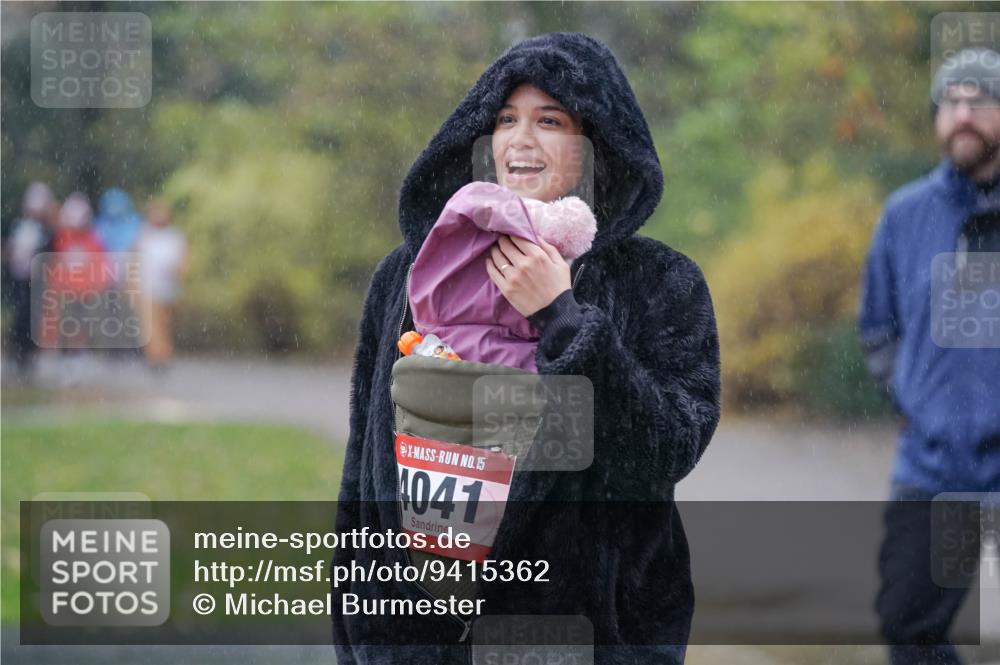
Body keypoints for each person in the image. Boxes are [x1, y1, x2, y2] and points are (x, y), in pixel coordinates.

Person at [332, 33, 721, 665]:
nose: (521, 139)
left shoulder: (659, 283)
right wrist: (365, 637)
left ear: (600, 147)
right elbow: (365, 477)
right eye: (506, 119)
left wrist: (564, 317)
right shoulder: (407, 274)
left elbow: (665, 451)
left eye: (550, 120)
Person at [859, 48, 1000, 665]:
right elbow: (877, 328)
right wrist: (914, 397)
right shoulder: (905, 214)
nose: (963, 114)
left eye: (980, 100)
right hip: (932, 467)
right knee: (908, 626)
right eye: (951, 102)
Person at [3, 182, 56, 377]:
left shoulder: (47, 230)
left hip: (34, 281)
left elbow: (47, 254)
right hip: (17, 279)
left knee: (30, 318)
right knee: (19, 317)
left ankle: (27, 357)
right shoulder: (16, 225)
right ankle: (16, 355)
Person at [135, 199, 186, 370]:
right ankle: (154, 357)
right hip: (148, 287)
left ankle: (163, 355)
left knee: (164, 324)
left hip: (168, 288)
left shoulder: (175, 237)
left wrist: (176, 270)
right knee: (150, 324)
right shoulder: (144, 236)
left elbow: (183, 263)